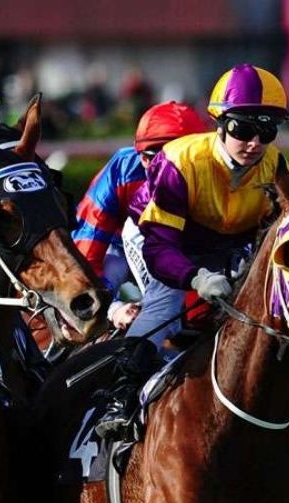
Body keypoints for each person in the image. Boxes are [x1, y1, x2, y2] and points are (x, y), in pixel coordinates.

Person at [96, 64, 289, 441]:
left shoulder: (275, 165)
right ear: (220, 123)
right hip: (162, 236)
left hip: (229, 240)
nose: (254, 143)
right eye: (242, 129)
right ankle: (119, 398)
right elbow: (159, 248)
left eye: (266, 131)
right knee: (165, 305)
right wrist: (195, 278)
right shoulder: (180, 161)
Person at [70, 101, 209, 331]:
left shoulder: (215, 172)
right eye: (153, 157)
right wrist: (112, 309)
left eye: (180, 158)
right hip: (124, 249)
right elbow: (86, 251)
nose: (166, 168)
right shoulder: (122, 169)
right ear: (140, 155)